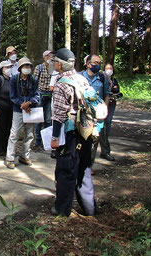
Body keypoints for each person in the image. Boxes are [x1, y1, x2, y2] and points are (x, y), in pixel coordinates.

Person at [50, 48, 96, 217]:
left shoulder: (61, 84)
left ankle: (62, 209)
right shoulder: (83, 79)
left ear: (61, 65)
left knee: (66, 171)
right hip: (86, 131)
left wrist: (55, 137)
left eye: (55, 61)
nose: (53, 64)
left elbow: (58, 114)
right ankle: (89, 208)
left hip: (70, 134)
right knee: (84, 169)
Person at [4, 57, 40, 169]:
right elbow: (12, 96)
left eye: (28, 66)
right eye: (25, 66)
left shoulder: (33, 79)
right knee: (14, 133)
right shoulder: (14, 79)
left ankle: (24, 156)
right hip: (18, 110)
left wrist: (29, 103)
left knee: (29, 134)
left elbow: (37, 94)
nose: (27, 68)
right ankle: (9, 158)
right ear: (20, 68)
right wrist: (22, 104)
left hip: (31, 110)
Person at [80, 55, 111, 163]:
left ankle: (89, 164)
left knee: (95, 139)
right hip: (83, 114)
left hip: (97, 116)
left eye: (99, 63)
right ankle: (80, 162)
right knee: (81, 139)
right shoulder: (80, 77)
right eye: (95, 63)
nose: (98, 65)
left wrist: (104, 109)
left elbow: (107, 94)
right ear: (88, 64)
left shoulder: (102, 78)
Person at [33, 50, 54, 150]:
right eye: (48, 56)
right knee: (38, 119)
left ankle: (47, 141)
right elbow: (34, 81)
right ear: (44, 57)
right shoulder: (39, 68)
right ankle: (37, 141)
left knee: (48, 119)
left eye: (51, 56)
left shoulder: (54, 68)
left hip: (50, 96)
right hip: (40, 94)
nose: (50, 58)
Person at [101, 63, 121, 162]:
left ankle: (105, 152)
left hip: (111, 104)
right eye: (107, 68)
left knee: (106, 125)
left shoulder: (114, 80)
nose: (109, 70)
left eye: (111, 68)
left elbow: (116, 91)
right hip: (99, 105)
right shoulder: (100, 78)